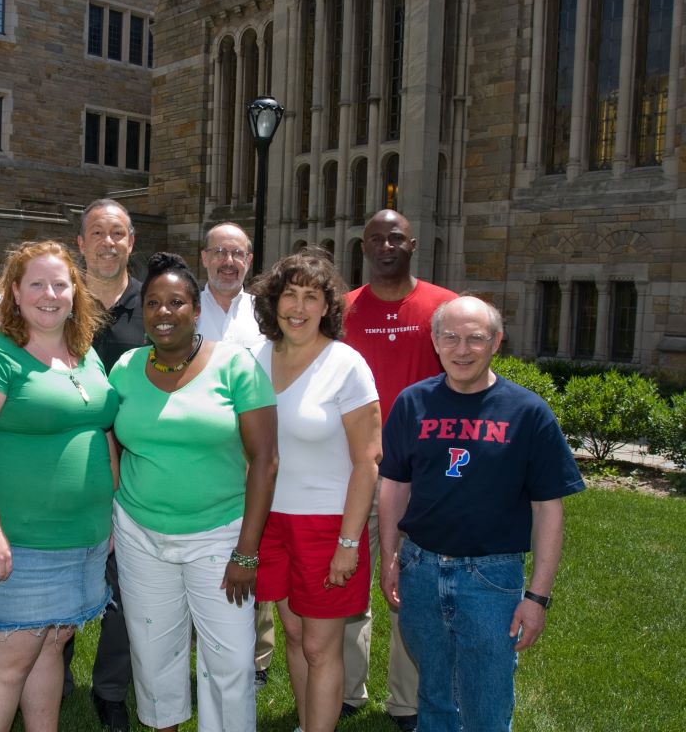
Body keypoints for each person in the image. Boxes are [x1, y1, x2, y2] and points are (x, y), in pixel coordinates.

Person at [378, 296, 584, 731]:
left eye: (476, 338)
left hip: (491, 579)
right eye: (450, 337)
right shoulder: (412, 404)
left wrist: (537, 597)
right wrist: (389, 557)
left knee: (486, 705)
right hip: (421, 568)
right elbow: (395, 484)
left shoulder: (528, 412)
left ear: (497, 342)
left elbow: (549, 507)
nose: (462, 349)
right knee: (433, 696)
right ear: (435, 342)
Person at [0, 240, 118, 732]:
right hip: (16, 543)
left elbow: (99, 432)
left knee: (52, 647)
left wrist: (106, 516)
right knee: (7, 664)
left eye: (59, 284)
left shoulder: (83, 355)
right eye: (36, 284)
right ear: (15, 293)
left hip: (80, 540)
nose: (49, 294)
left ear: (74, 293)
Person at [109, 251, 278, 732]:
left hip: (218, 535)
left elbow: (266, 460)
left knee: (230, 660)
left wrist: (247, 551)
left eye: (176, 302)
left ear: (196, 308)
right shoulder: (124, 367)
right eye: (154, 302)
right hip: (141, 536)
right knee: (154, 652)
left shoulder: (236, 367)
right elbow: (108, 439)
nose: (164, 312)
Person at [249, 251, 382, 732]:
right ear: (274, 301)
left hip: (327, 525)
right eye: (290, 294)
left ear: (327, 306)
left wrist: (349, 542)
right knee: (293, 633)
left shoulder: (346, 364)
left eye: (312, 296)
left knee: (319, 646)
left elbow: (367, 460)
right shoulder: (257, 357)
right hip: (270, 521)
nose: (299, 307)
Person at [340, 208, 457, 731]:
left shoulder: (442, 307)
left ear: (413, 245)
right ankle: (345, 689)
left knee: (409, 588)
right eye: (375, 239)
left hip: (420, 476)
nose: (386, 245)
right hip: (351, 470)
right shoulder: (341, 311)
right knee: (348, 580)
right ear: (363, 247)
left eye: (396, 238)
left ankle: (407, 702)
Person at [195, 222, 276, 685]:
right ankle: (197, 645)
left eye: (238, 253)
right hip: (201, 445)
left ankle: (257, 656)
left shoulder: (265, 314)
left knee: (252, 539)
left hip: (254, 443)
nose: (228, 261)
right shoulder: (186, 305)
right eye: (219, 252)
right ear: (204, 257)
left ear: (249, 260)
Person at [76, 198, 144, 731]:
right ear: (81, 243)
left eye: (116, 233)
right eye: (96, 232)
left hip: (136, 469)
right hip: (67, 469)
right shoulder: (56, 299)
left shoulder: (154, 306)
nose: (107, 242)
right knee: (58, 579)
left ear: (131, 241)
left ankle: (111, 688)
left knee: (127, 586)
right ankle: (44, 675)